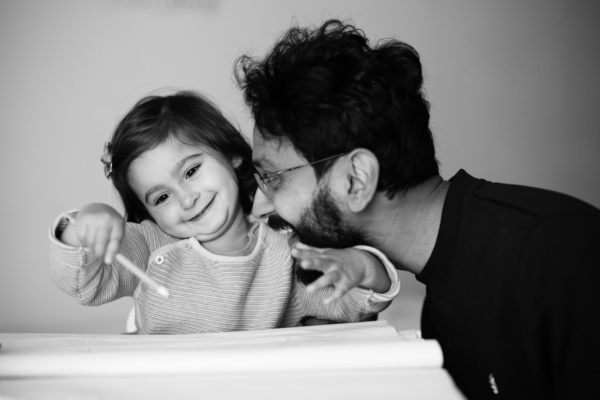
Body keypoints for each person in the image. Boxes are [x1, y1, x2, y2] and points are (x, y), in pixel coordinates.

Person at [234, 19, 600, 399]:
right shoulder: (440, 301)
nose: (260, 204)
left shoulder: (557, 253)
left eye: (273, 177)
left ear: (356, 179)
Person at [48, 90, 400, 335]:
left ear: (232, 156)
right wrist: (85, 224)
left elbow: (353, 305)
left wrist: (362, 266)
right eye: (162, 197)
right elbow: (85, 282)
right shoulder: (149, 247)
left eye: (191, 172)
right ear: (148, 213)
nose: (186, 200)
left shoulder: (285, 248)